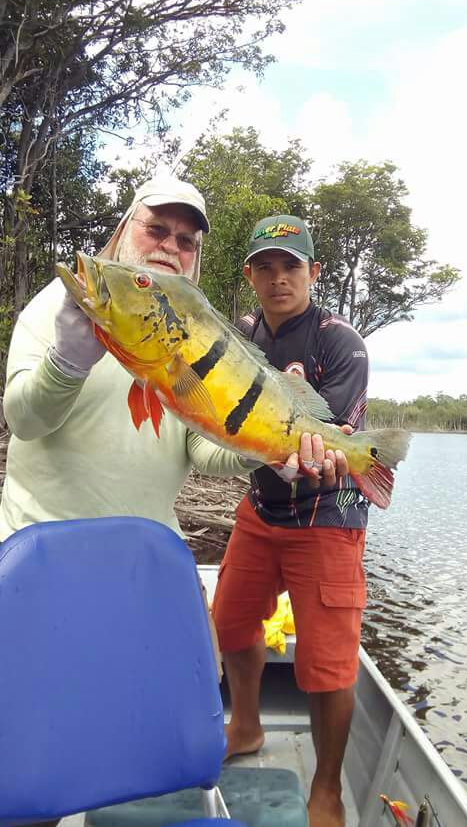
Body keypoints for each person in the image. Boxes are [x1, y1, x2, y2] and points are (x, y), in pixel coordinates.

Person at [0, 184, 345, 827]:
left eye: (187, 240)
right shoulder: (57, 305)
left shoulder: (190, 329)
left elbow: (203, 447)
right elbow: (22, 419)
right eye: (156, 229)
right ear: (124, 229)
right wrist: (68, 362)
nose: (170, 247)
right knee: (36, 753)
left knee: (148, 739)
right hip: (43, 574)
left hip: (144, 571)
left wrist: (269, 450)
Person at [212, 214, 370, 827]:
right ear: (250, 275)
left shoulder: (340, 341)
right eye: (266, 267)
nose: (279, 278)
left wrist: (316, 448)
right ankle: (246, 725)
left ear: (314, 272)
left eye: (291, 266)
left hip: (330, 513)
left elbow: (336, 437)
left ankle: (327, 789)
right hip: (261, 507)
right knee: (230, 621)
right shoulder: (242, 334)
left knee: (327, 664)